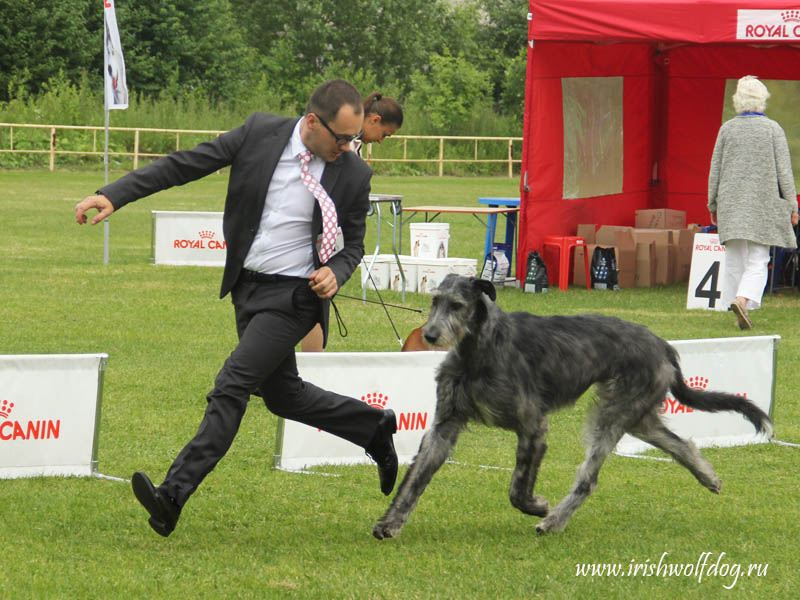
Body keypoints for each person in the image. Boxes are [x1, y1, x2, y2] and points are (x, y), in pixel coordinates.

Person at [74, 79, 399, 537]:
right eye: (341, 138)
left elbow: (355, 244)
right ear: (311, 122)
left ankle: (172, 495)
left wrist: (337, 272)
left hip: (295, 298)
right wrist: (115, 194)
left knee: (232, 384)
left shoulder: (353, 173)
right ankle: (373, 427)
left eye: (354, 139)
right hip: (248, 290)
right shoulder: (258, 133)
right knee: (284, 395)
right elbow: (184, 165)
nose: (349, 147)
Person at [301, 91, 404, 352]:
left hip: (326, 235)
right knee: (314, 305)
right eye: (385, 134)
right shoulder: (344, 145)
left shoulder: (351, 146)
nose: (381, 141)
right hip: (313, 236)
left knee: (315, 303)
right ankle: (309, 369)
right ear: (374, 120)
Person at [708, 75, 799, 330]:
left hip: (731, 202)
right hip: (762, 204)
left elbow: (715, 169)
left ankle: (737, 304)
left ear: (738, 101)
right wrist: (793, 205)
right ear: (762, 101)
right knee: (758, 257)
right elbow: (784, 172)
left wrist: (712, 204)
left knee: (735, 257)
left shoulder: (727, 129)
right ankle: (742, 300)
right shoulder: (773, 130)